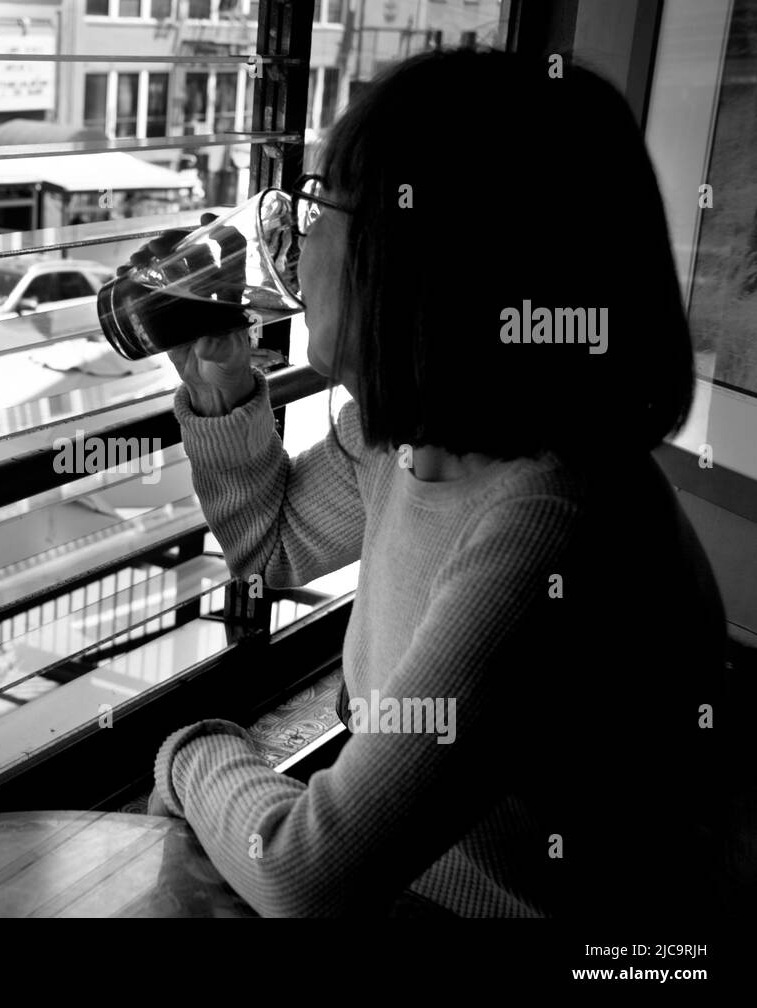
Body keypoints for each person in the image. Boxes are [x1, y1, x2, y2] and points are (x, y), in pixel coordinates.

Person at [139, 49, 732, 917]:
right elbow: (272, 549)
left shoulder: (550, 524)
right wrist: (222, 386)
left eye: (317, 208)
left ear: (413, 254)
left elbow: (305, 874)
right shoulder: (412, 441)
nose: (293, 243)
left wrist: (193, 752)